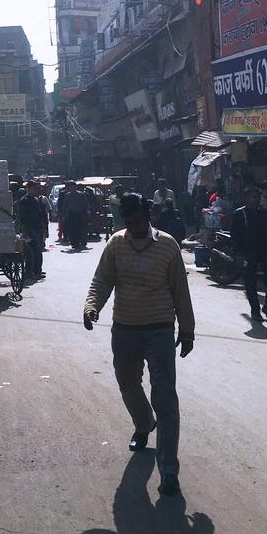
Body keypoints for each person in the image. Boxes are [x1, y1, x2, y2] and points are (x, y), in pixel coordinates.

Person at [83, 192, 195, 497]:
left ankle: (169, 470)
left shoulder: (168, 246)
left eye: (140, 221)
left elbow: (180, 291)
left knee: (165, 396)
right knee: (127, 383)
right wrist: (92, 306)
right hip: (125, 327)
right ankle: (144, 423)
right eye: (130, 222)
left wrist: (187, 330)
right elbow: (102, 280)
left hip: (159, 328)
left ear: (148, 217)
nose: (135, 227)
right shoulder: (116, 244)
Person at [230, 185, 267, 322]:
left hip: (264, 252)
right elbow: (234, 236)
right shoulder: (239, 214)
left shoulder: (264, 214)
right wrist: (238, 253)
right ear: (246, 198)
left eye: (258, 197)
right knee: (250, 283)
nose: (256, 200)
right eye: (254, 197)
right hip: (248, 252)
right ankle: (255, 310)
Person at [17, 180, 46, 279]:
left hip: (37, 228)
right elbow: (22, 217)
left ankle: (37, 271)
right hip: (29, 229)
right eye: (34, 189)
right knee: (31, 252)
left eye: (37, 188)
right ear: (28, 189)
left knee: (38, 251)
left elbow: (40, 215)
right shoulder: (24, 200)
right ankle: (29, 271)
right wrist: (24, 230)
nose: (36, 190)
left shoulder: (36, 199)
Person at [62, 181, 89, 250]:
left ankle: (78, 242)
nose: (72, 188)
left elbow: (85, 205)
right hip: (71, 215)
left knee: (79, 229)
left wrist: (86, 213)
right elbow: (64, 206)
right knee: (71, 230)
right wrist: (64, 215)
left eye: (73, 186)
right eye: (71, 187)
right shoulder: (67, 195)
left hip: (79, 215)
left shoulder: (81, 195)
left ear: (76, 187)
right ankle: (73, 243)